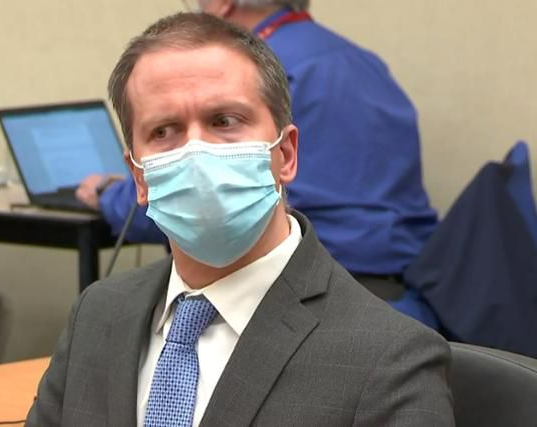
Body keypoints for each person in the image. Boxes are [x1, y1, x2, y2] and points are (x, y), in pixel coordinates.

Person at [28, 13, 453, 426]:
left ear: (285, 154)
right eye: (164, 131)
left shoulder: (390, 359)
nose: (196, 153)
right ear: (139, 177)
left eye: (224, 121)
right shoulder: (96, 315)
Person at [77, 0, 438, 280]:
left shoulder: (261, 72)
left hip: (312, 288)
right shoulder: (364, 63)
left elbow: (202, 194)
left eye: (223, 121)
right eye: (164, 131)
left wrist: (109, 196)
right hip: (405, 288)